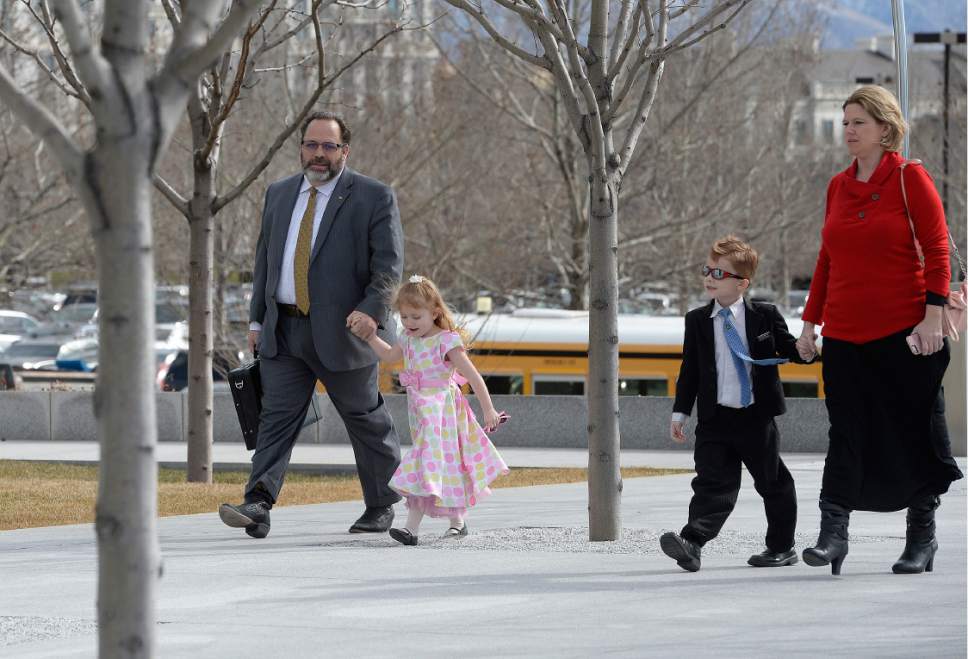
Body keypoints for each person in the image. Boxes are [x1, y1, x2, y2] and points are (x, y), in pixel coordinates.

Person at [797, 85, 963, 575]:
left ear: (885, 130)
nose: (848, 131)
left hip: (905, 332)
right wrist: (810, 324)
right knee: (845, 433)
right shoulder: (837, 186)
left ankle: (921, 539)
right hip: (847, 335)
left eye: (858, 123)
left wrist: (932, 316)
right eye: (846, 122)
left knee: (914, 431)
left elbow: (936, 249)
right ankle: (832, 535)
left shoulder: (911, 178)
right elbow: (828, 260)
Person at [219, 111, 404, 539]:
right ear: (300, 147)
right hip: (284, 332)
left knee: (365, 420)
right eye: (310, 145)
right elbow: (266, 260)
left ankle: (382, 503)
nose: (318, 155)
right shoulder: (280, 193)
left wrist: (371, 310)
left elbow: (389, 267)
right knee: (275, 419)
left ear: (345, 151)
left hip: (347, 332)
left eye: (328, 146)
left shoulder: (374, 196)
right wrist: (256, 319)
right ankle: (258, 503)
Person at [660, 236, 812, 572]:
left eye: (718, 273)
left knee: (774, 483)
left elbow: (788, 349)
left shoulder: (765, 316)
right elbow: (690, 370)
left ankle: (781, 547)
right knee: (712, 484)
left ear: (742, 283)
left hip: (756, 417)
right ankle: (692, 543)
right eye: (707, 271)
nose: (709, 278)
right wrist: (680, 412)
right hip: (714, 419)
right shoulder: (697, 320)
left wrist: (806, 349)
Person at [362, 275, 509, 545]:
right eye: (404, 317)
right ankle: (458, 523)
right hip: (421, 410)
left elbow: (474, 377)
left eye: (416, 317)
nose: (409, 323)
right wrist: (371, 337)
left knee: (423, 461)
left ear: (435, 313)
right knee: (444, 465)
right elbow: (389, 356)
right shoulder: (407, 339)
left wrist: (488, 410)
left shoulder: (446, 341)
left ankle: (410, 530)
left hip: (442, 410)